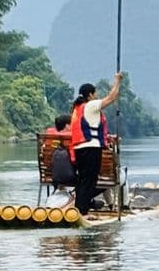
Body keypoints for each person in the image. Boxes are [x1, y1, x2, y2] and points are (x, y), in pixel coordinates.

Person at [68, 72, 124, 214]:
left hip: (80, 149)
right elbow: (111, 98)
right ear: (90, 95)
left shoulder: (77, 108)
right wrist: (117, 81)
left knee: (83, 179)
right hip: (91, 148)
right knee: (89, 181)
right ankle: (82, 211)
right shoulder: (91, 105)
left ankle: (79, 209)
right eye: (95, 93)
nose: (96, 96)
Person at [46, 113, 77, 190]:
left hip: (51, 174)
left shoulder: (50, 139)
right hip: (69, 175)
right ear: (67, 126)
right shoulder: (71, 138)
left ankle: (63, 194)